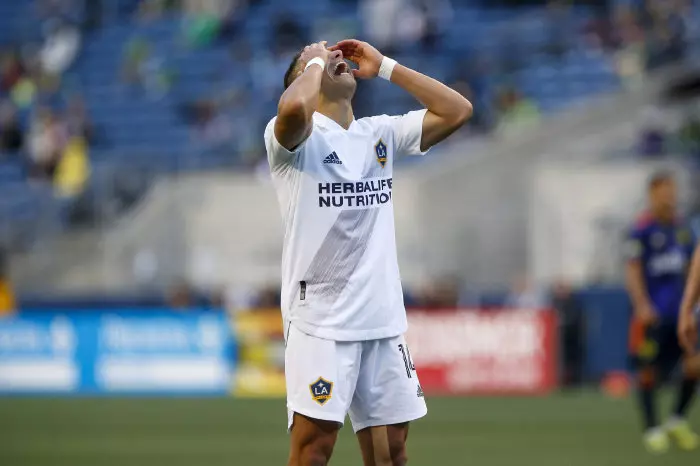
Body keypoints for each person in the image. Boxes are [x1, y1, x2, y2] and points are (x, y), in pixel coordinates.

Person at [264, 39, 471, 465]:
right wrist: (314, 61)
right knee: (313, 452)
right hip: (322, 324)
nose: (337, 58)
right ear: (305, 79)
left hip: (381, 321)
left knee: (389, 454)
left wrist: (389, 67)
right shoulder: (292, 140)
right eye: (323, 61)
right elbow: (292, 111)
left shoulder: (378, 134)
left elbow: (458, 111)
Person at [625, 171, 699, 453]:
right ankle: (652, 427)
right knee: (647, 371)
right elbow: (632, 270)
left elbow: (694, 267)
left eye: (673, 191)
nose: (670, 197)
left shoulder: (682, 229)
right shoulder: (642, 229)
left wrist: (691, 306)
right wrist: (642, 304)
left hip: (679, 312)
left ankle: (677, 419)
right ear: (652, 195)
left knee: (695, 363)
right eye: (665, 192)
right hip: (652, 314)